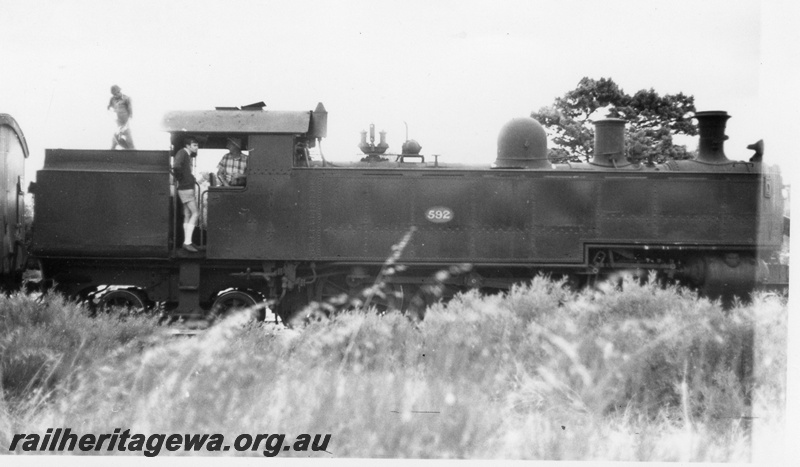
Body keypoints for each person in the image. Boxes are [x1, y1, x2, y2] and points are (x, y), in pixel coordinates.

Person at [173, 137, 200, 252]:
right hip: (186, 188)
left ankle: (187, 241)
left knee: (188, 214)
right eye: (194, 145)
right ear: (188, 146)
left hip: (185, 187)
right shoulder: (182, 153)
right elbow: (176, 166)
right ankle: (187, 242)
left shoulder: (186, 154)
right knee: (196, 213)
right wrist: (183, 179)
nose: (196, 147)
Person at [108, 85, 134, 149]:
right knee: (115, 139)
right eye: (113, 94)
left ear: (119, 91)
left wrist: (127, 121)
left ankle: (132, 151)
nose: (115, 95)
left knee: (129, 140)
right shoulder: (112, 99)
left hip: (125, 121)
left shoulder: (126, 98)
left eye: (116, 93)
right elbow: (109, 107)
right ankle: (112, 152)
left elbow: (130, 111)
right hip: (118, 122)